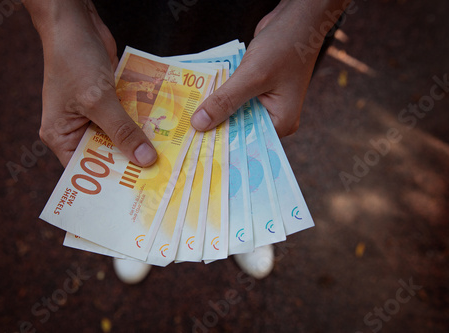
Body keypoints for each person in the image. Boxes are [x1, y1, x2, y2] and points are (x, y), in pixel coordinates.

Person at [23, 0, 349, 283]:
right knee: (122, 108)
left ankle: (244, 215)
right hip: (128, 16)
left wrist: (312, 12)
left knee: (255, 114)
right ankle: (137, 222)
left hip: (264, 16)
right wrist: (57, 18)